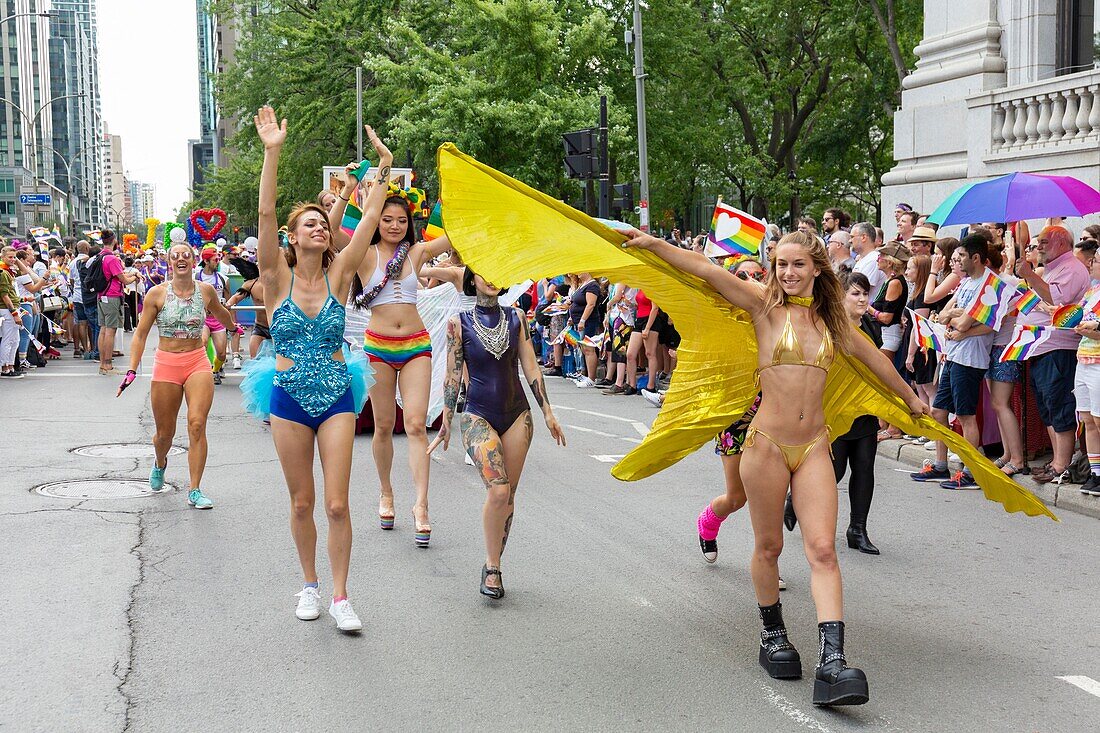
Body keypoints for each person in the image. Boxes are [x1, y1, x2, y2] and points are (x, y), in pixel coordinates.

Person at [622, 228, 928, 707]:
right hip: (764, 447)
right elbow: (704, 269)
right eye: (780, 264)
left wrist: (912, 400)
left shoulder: (835, 324)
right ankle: (773, 635)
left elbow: (875, 363)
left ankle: (833, 661)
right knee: (769, 546)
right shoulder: (763, 308)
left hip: (813, 449)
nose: (787, 273)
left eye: (798, 265)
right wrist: (654, 244)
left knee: (823, 550)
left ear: (817, 269)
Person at [245, 106, 385, 632]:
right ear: (293, 236)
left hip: (335, 394)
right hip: (286, 395)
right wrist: (272, 152)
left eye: (324, 224)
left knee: (336, 503)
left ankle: (342, 596)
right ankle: (309, 585)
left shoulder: (341, 275)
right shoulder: (274, 277)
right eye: (310, 223)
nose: (320, 228)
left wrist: (383, 172)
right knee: (302, 501)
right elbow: (263, 214)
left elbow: (369, 222)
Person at [435, 269, 566, 598]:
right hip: (478, 416)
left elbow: (531, 366)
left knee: (508, 495)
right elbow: (452, 376)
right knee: (498, 490)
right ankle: (492, 568)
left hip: (517, 415)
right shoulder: (458, 323)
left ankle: (494, 562)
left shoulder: (517, 317)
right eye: (482, 271)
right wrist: (446, 421)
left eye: (495, 270)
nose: (490, 277)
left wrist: (548, 412)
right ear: (472, 279)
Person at [344, 156, 453, 548]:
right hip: (377, 347)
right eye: (387, 219)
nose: (394, 225)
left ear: (411, 224)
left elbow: (456, 237)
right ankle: (386, 492)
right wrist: (374, 173)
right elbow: (341, 229)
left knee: (417, 425)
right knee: (385, 426)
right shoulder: (363, 255)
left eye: (402, 220)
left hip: (416, 345)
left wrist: (457, 198)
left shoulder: (417, 254)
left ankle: (421, 505)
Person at [119, 241, 237, 511]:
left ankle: (194, 489)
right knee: (164, 434)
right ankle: (160, 461)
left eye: (186, 255)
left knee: (196, 424)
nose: (181, 259)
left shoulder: (205, 291)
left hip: (197, 361)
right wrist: (132, 368)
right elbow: (140, 334)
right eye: (176, 256)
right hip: (167, 364)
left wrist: (233, 327)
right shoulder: (156, 294)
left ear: (194, 260)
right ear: (170, 261)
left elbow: (221, 314)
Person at [909, 235, 996, 489]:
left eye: (961, 257)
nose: (956, 261)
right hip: (954, 354)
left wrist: (960, 321)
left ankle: (971, 471)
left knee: (966, 415)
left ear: (975, 258)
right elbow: (945, 316)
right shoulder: (966, 283)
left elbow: (968, 323)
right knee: (938, 411)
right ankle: (940, 465)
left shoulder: (988, 285)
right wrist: (956, 317)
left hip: (971, 359)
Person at [1016, 225, 1091, 484]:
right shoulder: (1051, 268)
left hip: (1059, 346)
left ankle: (1062, 464)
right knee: (1048, 406)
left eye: (1044, 242)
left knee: (1058, 405)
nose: (1039, 247)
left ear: (1061, 242)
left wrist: (1029, 274)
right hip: (1041, 346)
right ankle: (1057, 460)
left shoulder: (1071, 268)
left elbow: (1056, 300)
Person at [831, 272, 883, 554]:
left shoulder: (872, 326)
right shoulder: (830, 327)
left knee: (864, 467)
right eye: (855, 294)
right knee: (834, 471)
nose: (862, 298)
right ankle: (796, 501)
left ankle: (857, 529)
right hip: (837, 409)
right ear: (841, 297)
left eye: (865, 293)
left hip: (866, 409)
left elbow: (880, 368)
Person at [1071, 254, 1100, 496]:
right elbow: (1077, 317)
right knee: (1088, 420)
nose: (1091, 264)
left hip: (1099, 363)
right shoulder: (1092, 292)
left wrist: (1095, 330)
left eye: (1097, 260)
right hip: (1083, 360)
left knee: (1099, 421)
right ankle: (1096, 472)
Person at [96, 231, 137, 375]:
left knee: (103, 329)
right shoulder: (112, 259)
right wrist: (135, 277)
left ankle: (102, 364)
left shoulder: (99, 256)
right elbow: (124, 280)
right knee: (110, 331)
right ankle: (108, 365)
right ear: (114, 241)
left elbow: (119, 276)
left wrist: (130, 275)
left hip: (101, 296)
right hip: (112, 296)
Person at [195, 247, 234, 384]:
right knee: (203, 343)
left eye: (218, 259)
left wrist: (232, 323)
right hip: (202, 318)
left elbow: (228, 303)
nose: (217, 262)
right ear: (205, 261)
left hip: (218, 319)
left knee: (222, 353)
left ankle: (216, 370)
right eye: (215, 260)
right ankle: (203, 371)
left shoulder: (224, 279)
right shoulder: (195, 277)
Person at [225, 257, 269, 358]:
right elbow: (236, 297)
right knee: (254, 357)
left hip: (277, 327)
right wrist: (228, 304)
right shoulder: (251, 284)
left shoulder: (280, 284)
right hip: (260, 327)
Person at [569, 272, 601, 387]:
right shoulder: (583, 284)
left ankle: (591, 378)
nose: (578, 272)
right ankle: (587, 375)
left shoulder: (592, 286)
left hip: (588, 322)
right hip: (578, 321)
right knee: (583, 349)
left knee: (589, 349)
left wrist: (583, 320)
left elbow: (590, 304)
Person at [850, 222, 884, 293]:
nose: (850, 241)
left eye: (852, 237)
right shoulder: (864, 259)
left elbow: (860, 289)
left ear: (863, 237)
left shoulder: (873, 260)